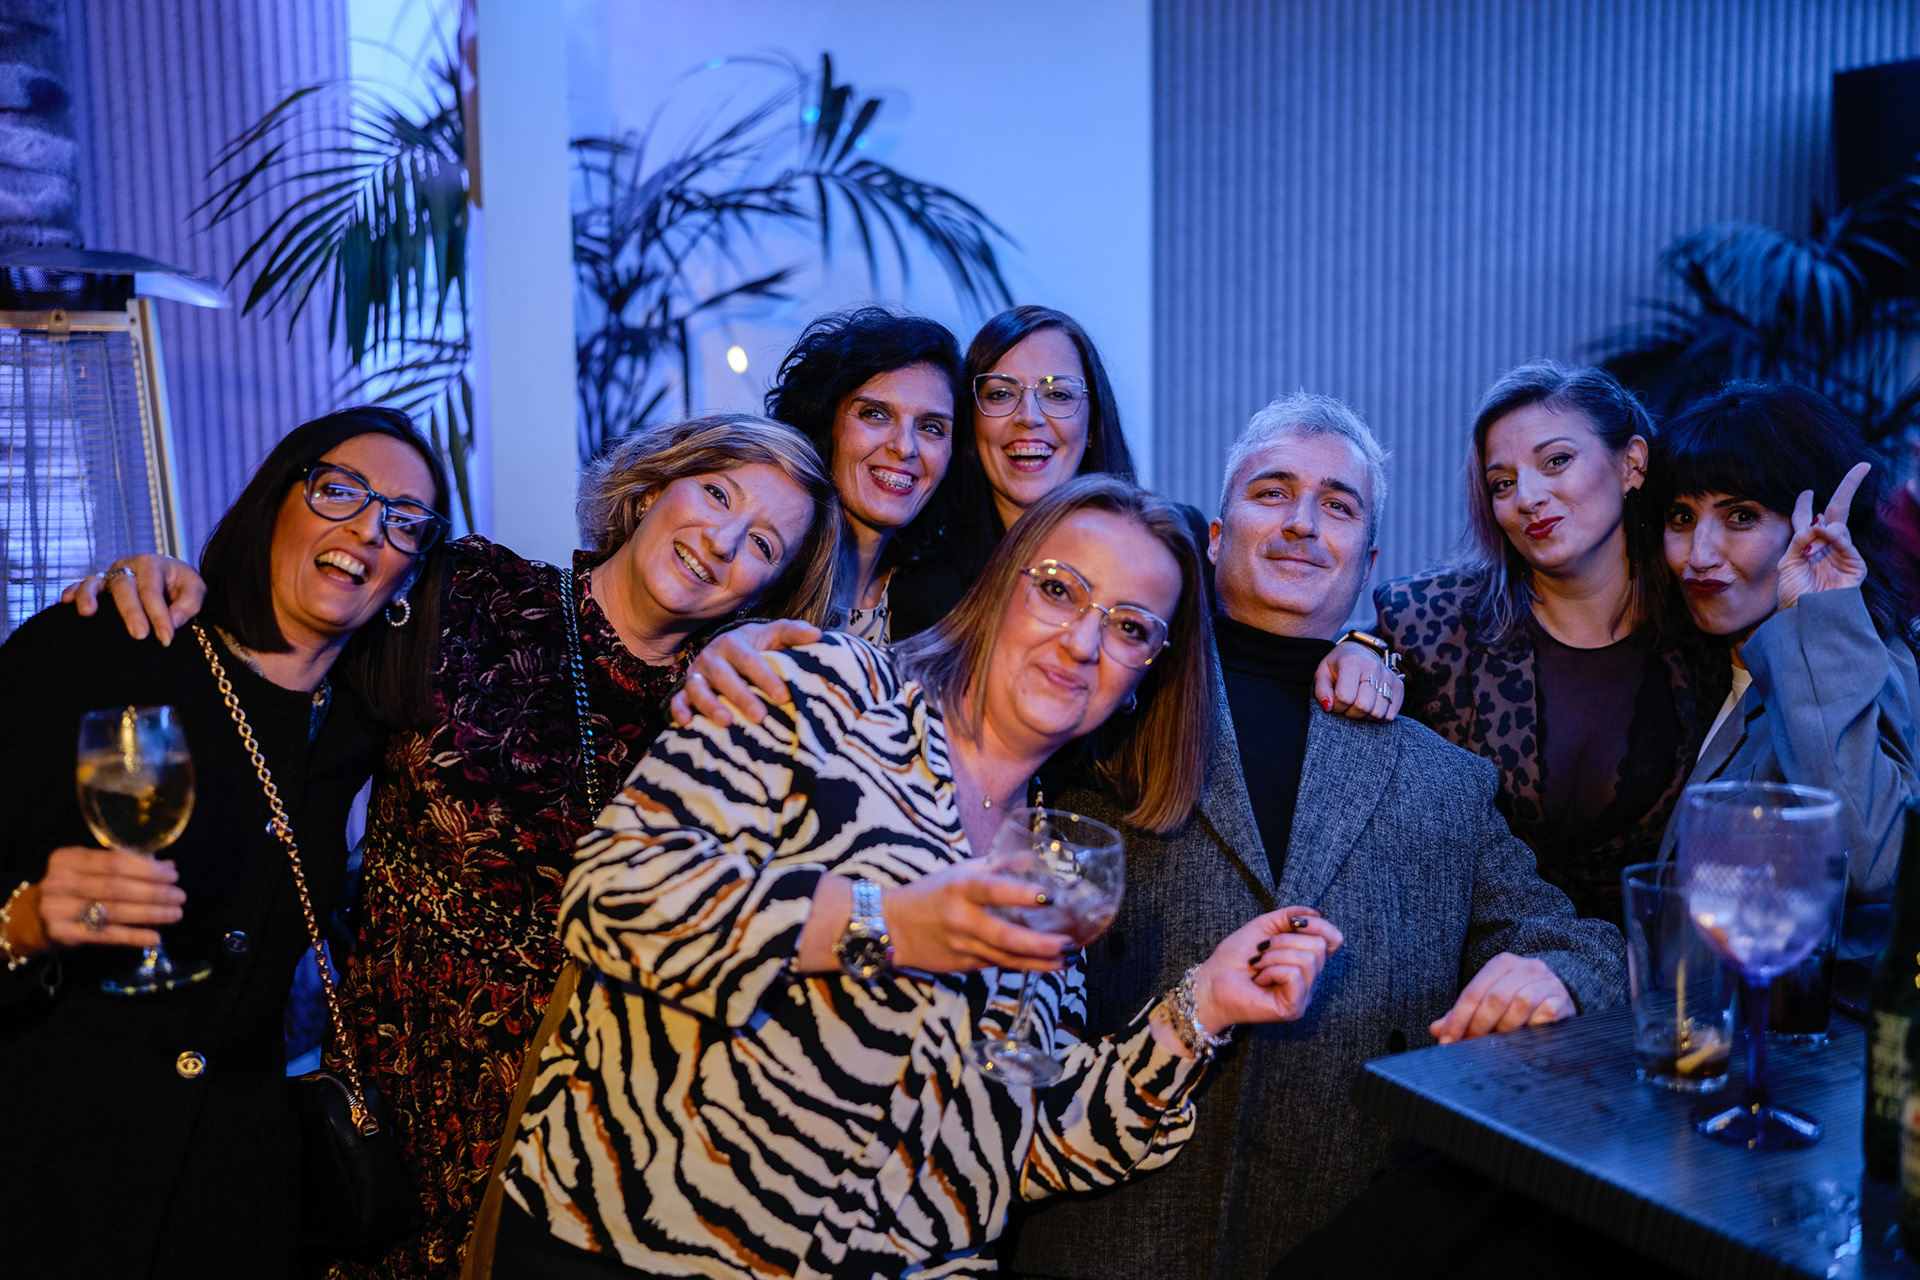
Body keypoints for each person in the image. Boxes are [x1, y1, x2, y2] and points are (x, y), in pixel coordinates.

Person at [488, 476, 1345, 1277]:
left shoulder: (1051, 863)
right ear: (1001, 589)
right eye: (1059, 590)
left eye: (1129, 628)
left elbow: (1020, 1146)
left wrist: (1202, 1010)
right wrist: (887, 924)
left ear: (1140, 681)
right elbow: (612, 895)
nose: (1083, 642)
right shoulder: (820, 690)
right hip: (634, 1244)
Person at [66, 412, 845, 1280]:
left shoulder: (741, 724)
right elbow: (283, 644)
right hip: (391, 1115)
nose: (723, 541)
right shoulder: (468, 592)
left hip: (591, 1143)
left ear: (767, 589)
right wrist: (168, 585)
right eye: (717, 494)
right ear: (653, 486)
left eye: (763, 544)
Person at [1005, 393, 1629, 1278]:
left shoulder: (1445, 782)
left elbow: (1585, 944)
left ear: (1368, 564)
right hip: (1103, 1234)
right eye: (1273, 493)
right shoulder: (1100, 707)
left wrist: (1555, 973)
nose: (1302, 522)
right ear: (1214, 537)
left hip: (1344, 1238)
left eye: (1338, 505)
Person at [0, 407, 450, 1277]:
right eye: (340, 491)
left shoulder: (361, 735)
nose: (369, 527)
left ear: (408, 578)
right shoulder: (114, 645)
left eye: (405, 520)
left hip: (232, 1203)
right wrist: (26, 916)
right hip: (45, 1165)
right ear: (275, 503)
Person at [1374, 361, 1726, 926]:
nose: (1528, 497)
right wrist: (1358, 647)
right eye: (1503, 483)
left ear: (1632, 463)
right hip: (1472, 969)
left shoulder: (1706, 632)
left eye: (1556, 461)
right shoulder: (1426, 621)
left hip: (1648, 971)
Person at [1650, 381, 1919, 911]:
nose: (1699, 555)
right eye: (1682, 517)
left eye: (1740, 516)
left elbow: (1876, 862)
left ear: (1816, 525)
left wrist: (1816, 616)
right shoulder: (1701, 666)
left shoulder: (1874, 664)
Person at [764, 306, 962, 642]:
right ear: (826, 423)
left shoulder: (943, 615)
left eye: (931, 427)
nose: (905, 447)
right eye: (875, 414)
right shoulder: (756, 569)